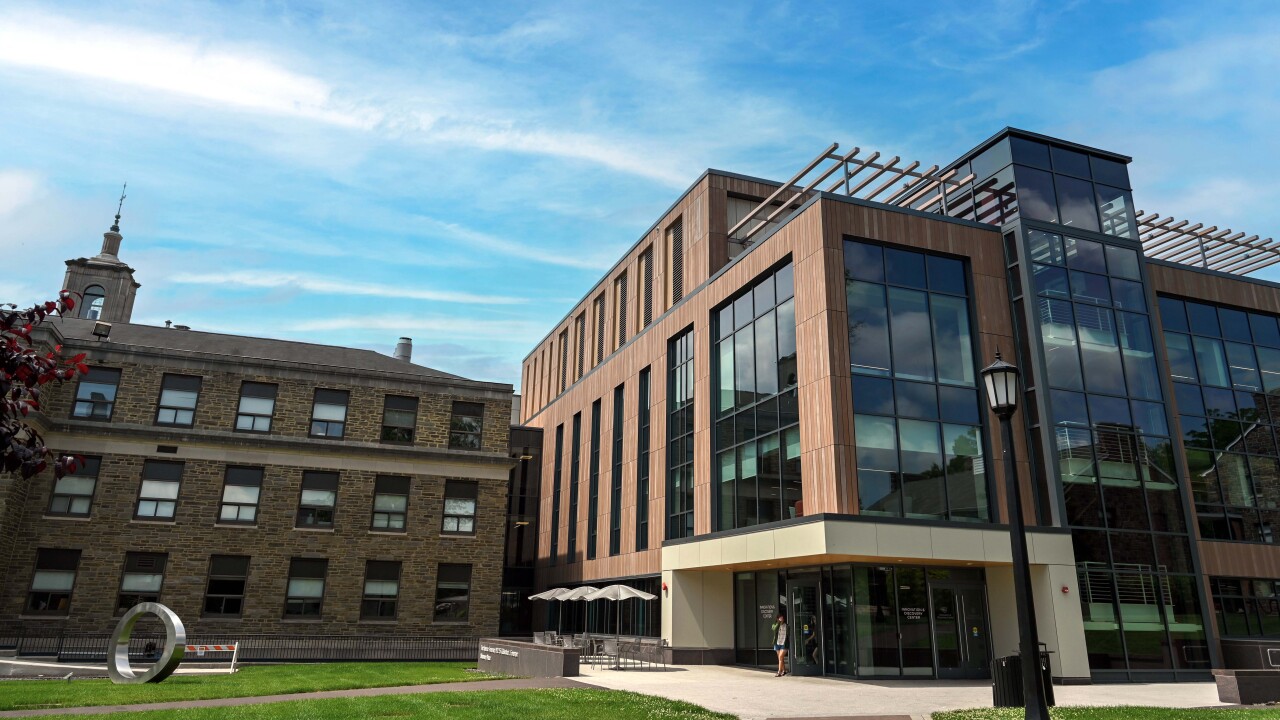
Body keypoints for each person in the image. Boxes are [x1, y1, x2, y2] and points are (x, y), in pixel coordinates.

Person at [771, 612, 789, 676]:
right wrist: (778, 623)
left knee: (781, 657)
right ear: (777, 619)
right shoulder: (774, 625)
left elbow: (789, 634)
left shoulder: (786, 625)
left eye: (782, 618)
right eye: (780, 618)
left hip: (784, 643)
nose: (781, 619)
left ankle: (779, 672)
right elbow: (775, 630)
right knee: (780, 658)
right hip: (777, 643)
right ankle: (784, 670)